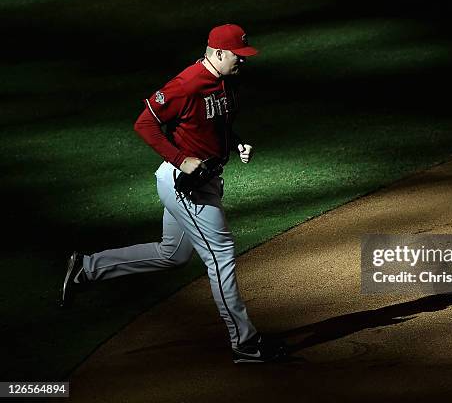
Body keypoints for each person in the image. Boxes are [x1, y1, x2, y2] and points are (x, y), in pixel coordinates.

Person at [59, 23, 286, 364]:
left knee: (173, 254)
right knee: (220, 254)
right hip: (184, 183)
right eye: (238, 56)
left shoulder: (224, 81)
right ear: (219, 53)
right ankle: (246, 343)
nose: (243, 61)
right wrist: (181, 159)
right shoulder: (186, 84)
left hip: (203, 178)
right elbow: (144, 123)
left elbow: (215, 123)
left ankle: (87, 268)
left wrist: (236, 142)